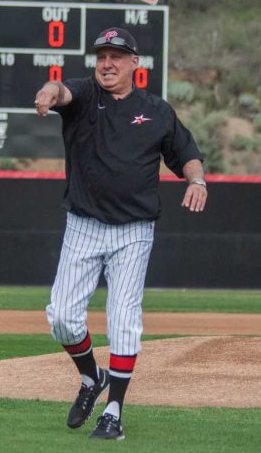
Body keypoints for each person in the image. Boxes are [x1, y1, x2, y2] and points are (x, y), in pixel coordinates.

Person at [34, 27, 207, 440]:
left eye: (116, 56)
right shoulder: (85, 97)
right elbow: (60, 90)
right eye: (101, 56)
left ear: (135, 64)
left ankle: (113, 412)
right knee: (61, 318)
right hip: (84, 225)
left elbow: (188, 155)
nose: (107, 63)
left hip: (133, 232)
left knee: (124, 319)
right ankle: (91, 376)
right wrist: (48, 92)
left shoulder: (157, 111)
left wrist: (197, 182)